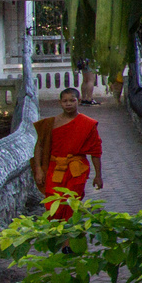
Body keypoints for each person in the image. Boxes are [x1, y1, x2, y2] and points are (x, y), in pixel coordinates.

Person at [34, 87, 104, 220]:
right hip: (54, 169)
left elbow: (96, 151)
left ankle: (69, 238)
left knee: (71, 204)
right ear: (60, 102)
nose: (68, 104)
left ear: (79, 101)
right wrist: (38, 169)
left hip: (76, 170)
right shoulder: (50, 123)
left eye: (72, 100)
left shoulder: (88, 124)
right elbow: (39, 146)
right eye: (65, 101)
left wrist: (98, 175)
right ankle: (56, 236)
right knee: (52, 205)